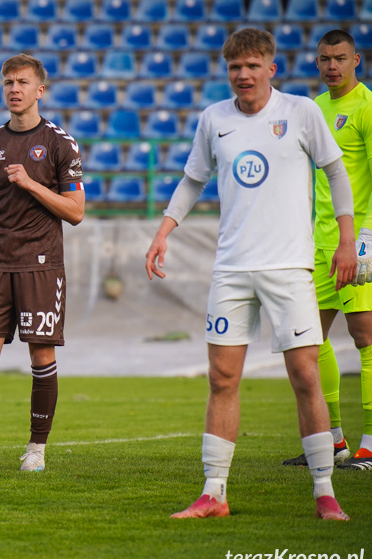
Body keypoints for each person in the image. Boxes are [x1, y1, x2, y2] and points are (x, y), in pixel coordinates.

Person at [145, 28, 354, 520]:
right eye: (235, 67)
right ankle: (213, 493)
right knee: (222, 378)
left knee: (304, 375)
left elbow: (336, 172)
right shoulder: (213, 118)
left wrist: (347, 240)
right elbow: (192, 179)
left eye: (252, 66)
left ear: (270, 69)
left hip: (288, 267)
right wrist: (163, 231)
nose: (243, 75)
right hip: (232, 269)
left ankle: (325, 492)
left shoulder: (301, 112)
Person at [0, 54, 85, 472]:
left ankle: (36, 450)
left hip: (41, 265)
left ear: (39, 90)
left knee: (41, 357)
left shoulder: (61, 143)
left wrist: (30, 183)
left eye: (23, 82)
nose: (14, 89)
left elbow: (76, 211)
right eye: (8, 82)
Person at [283, 29, 372, 472]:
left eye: (339, 57)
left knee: (365, 336)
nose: (332, 65)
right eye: (324, 59)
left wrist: (362, 242)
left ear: (357, 59)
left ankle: (370, 445)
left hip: (356, 240)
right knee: (309, 338)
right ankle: (332, 441)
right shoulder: (313, 110)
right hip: (314, 244)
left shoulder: (368, 108)